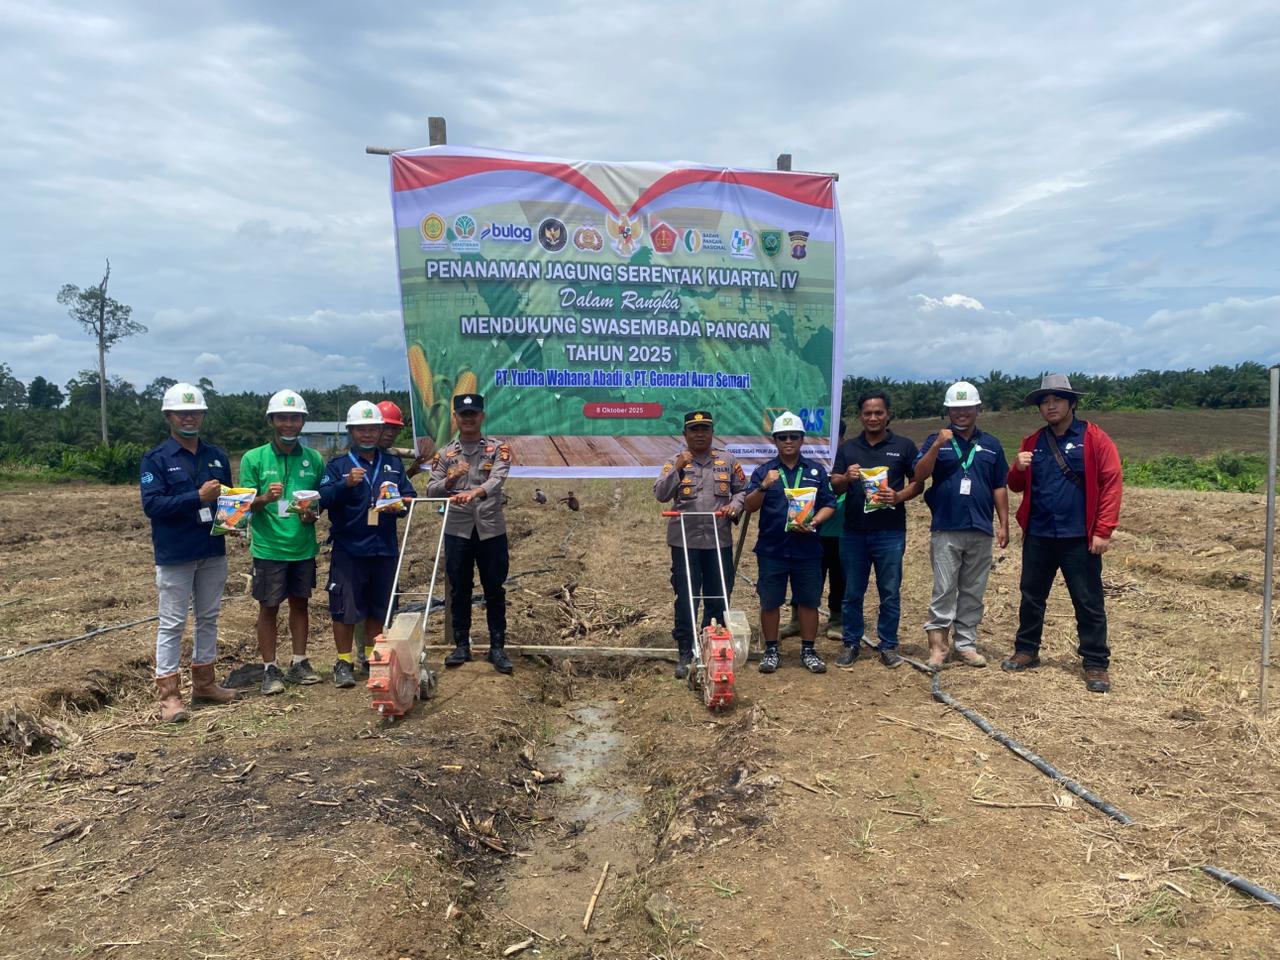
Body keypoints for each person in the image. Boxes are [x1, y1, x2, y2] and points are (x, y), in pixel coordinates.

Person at [1004, 374, 1122, 693]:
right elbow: (1015, 485)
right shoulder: (1032, 442)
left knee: (1088, 600)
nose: (1050, 406)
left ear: (1072, 403)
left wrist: (1103, 530)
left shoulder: (1094, 438)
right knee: (1031, 595)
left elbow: (1111, 484)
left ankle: (1095, 662)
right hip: (1039, 534)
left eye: (1057, 399)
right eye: (1045, 401)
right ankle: (1027, 650)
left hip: (1078, 537)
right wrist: (1017, 467)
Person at [139, 381, 237, 722]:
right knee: (172, 623)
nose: (189, 417)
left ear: (203, 415)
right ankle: (169, 696)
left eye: (195, 412)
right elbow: (152, 505)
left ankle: (205, 684)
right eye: (182, 413)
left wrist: (234, 517)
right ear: (169, 416)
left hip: (212, 548)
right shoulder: (156, 459)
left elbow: (227, 500)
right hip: (176, 552)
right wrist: (197, 497)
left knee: (209, 617)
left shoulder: (216, 456)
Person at [318, 400, 416, 690]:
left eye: (373, 428)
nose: (368, 434)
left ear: (380, 430)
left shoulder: (393, 464)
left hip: (383, 546)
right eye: (361, 429)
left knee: (379, 606)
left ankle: (373, 659)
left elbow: (409, 497)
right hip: (349, 547)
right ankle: (343, 662)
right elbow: (322, 498)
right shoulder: (338, 465)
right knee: (344, 607)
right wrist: (345, 484)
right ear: (351, 431)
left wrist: (399, 505)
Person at [912, 382, 1010, 670]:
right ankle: (938, 646)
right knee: (944, 588)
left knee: (973, 590)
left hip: (980, 527)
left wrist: (1004, 523)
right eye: (956, 408)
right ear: (948, 411)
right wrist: (937, 445)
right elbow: (919, 475)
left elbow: (999, 486)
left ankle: (966, 644)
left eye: (967, 407)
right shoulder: (935, 440)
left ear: (978, 408)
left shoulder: (991, 444)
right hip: (946, 526)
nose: (962, 413)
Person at [237, 389, 325, 694]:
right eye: (283, 418)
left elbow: (319, 501)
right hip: (269, 548)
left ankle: (299, 662)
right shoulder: (253, 458)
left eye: (295, 418)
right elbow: (242, 506)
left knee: (300, 604)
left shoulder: (314, 459)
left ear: (303, 422)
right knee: (269, 607)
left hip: (302, 547)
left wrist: (312, 515)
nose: (289, 424)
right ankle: (270, 668)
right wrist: (264, 498)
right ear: (272, 421)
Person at [831, 391, 923, 668]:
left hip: (890, 532)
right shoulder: (849, 448)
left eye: (878, 412)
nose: (873, 418)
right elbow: (835, 485)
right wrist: (846, 478)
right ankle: (851, 642)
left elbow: (918, 482)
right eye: (868, 413)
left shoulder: (904, 446)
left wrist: (898, 496)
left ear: (888, 415)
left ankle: (888, 645)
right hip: (854, 532)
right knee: (852, 592)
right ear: (860, 416)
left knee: (890, 592)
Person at [653, 410, 748, 678]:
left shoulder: (727, 461)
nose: (699, 434)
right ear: (685, 434)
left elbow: (742, 490)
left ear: (712, 432)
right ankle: (686, 650)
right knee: (686, 597)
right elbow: (660, 494)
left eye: (704, 429)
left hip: (718, 539)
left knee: (719, 596)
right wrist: (678, 468)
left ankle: (710, 645)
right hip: (685, 541)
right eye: (694, 430)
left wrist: (734, 505)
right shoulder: (675, 461)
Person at [743, 411, 837, 674]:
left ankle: (808, 650)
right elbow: (749, 506)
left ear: (801, 439)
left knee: (809, 601)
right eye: (782, 437)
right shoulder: (764, 472)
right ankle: (771, 650)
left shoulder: (816, 471)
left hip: (808, 549)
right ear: (774, 440)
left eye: (793, 436)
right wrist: (763, 486)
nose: (788, 441)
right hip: (772, 550)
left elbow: (829, 504)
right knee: (770, 602)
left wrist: (815, 521)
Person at [427, 394, 514, 674]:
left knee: (494, 588)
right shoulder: (445, 455)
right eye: (463, 414)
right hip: (457, 530)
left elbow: (497, 479)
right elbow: (431, 490)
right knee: (459, 588)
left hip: (491, 529)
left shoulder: (498, 449)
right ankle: (461, 645)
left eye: (473, 413)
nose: (468, 418)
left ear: (482, 416)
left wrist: (476, 492)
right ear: (455, 418)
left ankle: (497, 647)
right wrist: (450, 479)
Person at [818, 420, 848, 640]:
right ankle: (798, 619)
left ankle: (836, 619)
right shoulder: (811, 463)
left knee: (839, 579)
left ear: (842, 439)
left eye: (834, 437)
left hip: (842, 533)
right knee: (808, 579)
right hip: (813, 533)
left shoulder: (849, 462)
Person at [377, 400, 431, 478]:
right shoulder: (362, 459)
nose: (390, 433)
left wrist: (412, 471)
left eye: (395, 428)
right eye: (385, 427)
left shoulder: (394, 459)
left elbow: (396, 483)